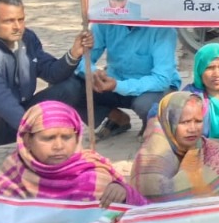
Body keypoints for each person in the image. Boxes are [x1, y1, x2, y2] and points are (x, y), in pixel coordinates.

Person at [0, 0, 91, 176]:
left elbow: (52, 73)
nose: (17, 27)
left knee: (71, 86)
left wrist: (75, 53)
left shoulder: (27, 38)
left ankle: (53, 139)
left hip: (20, 113)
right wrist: (35, 132)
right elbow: (0, 99)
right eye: (9, 21)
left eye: (21, 19)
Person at [0, 101, 143, 206]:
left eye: (67, 137)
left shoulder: (94, 172)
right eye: (48, 138)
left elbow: (141, 216)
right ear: (28, 140)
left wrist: (124, 194)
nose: (58, 146)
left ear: (77, 138)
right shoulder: (14, 170)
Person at [46, 21, 180, 139]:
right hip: (113, 81)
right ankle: (116, 118)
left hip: (152, 89)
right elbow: (83, 58)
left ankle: (152, 123)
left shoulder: (163, 29)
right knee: (63, 84)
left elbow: (161, 79)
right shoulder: (105, 21)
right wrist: (93, 73)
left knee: (146, 106)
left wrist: (117, 85)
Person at [132, 91, 219, 203]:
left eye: (198, 121)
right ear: (168, 121)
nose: (193, 129)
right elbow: (152, 195)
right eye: (185, 122)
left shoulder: (203, 145)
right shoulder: (151, 157)